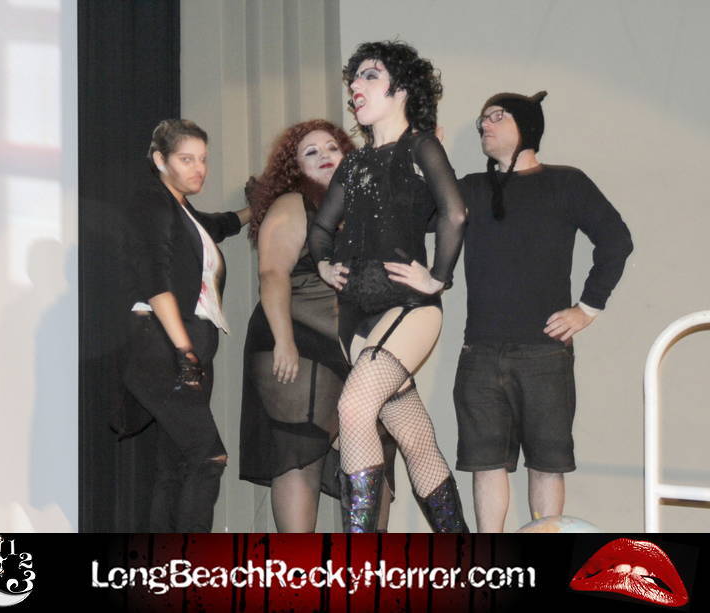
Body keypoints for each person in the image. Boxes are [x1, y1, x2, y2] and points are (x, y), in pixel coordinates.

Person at [308, 41, 469, 533]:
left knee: (354, 408)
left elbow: (455, 213)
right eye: (353, 79)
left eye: (370, 75)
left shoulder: (420, 146)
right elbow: (321, 227)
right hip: (356, 318)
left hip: (409, 308)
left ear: (402, 90)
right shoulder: (354, 163)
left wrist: (438, 277)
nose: (356, 86)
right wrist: (323, 264)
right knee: (416, 440)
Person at [454, 91, 633, 532]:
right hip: (480, 350)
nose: (485, 125)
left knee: (547, 463)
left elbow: (616, 240)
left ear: (527, 126)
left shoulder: (566, 183)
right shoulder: (471, 188)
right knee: (485, 463)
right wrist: (426, 155)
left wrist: (587, 308)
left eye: (497, 116)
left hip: (544, 352)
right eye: (482, 120)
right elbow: (420, 217)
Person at [240, 120, 396, 532]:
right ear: (295, 168)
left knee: (375, 457)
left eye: (332, 147)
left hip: (355, 351)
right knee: (300, 456)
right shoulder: (294, 203)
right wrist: (284, 341)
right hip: (300, 340)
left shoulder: (364, 209)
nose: (325, 155)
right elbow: (272, 273)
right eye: (311, 152)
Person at [122, 119, 250, 532]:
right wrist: (185, 353)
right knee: (208, 456)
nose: (199, 169)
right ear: (160, 160)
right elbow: (155, 280)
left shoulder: (183, 211)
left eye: (203, 159)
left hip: (190, 346)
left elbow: (218, 226)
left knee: (175, 465)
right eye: (186, 159)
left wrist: (255, 209)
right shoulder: (152, 202)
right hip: (165, 346)